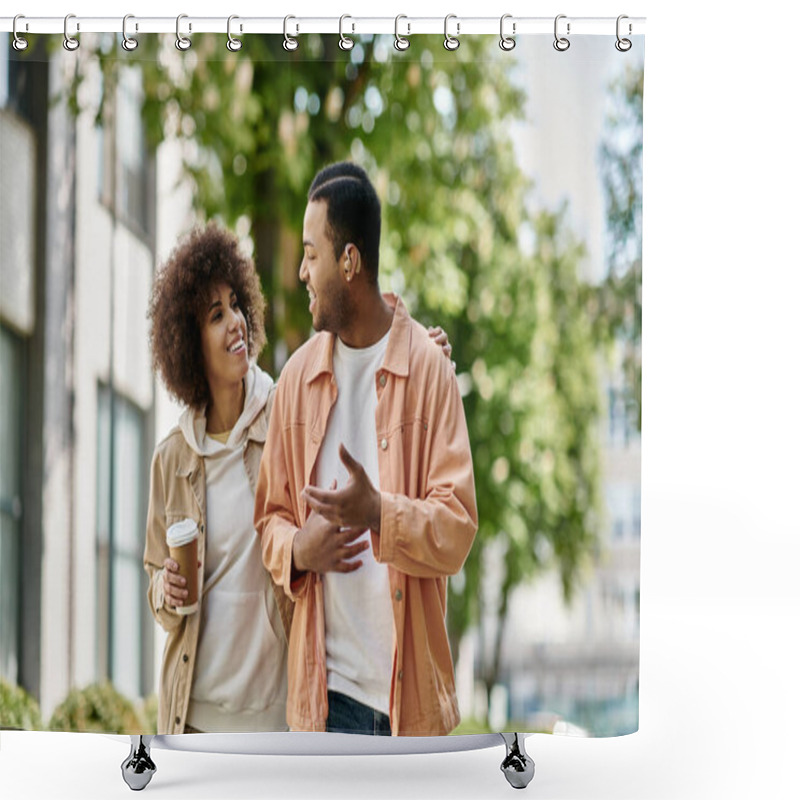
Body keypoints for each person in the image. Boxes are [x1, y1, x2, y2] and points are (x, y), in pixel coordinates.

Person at [144, 222, 453, 735]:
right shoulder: (171, 459)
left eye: (236, 306)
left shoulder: (288, 412)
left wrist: (423, 358)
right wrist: (164, 589)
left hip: (276, 715)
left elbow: (361, 382)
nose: (235, 324)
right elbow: (156, 578)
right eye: (215, 316)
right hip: (192, 716)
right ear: (187, 342)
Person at [254, 162, 478, 737]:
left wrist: (376, 511)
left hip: (412, 713)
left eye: (311, 254)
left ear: (348, 261)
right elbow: (269, 521)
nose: (302, 271)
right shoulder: (295, 382)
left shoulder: (430, 371)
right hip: (326, 705)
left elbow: (456, 529)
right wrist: (299, 548)